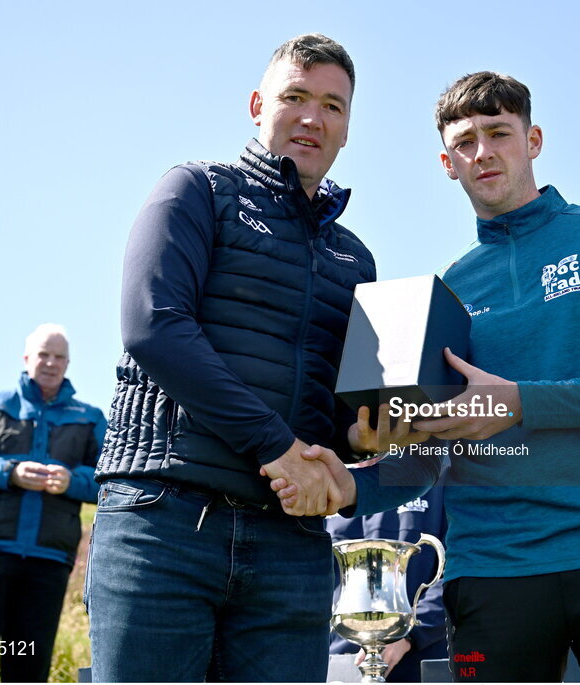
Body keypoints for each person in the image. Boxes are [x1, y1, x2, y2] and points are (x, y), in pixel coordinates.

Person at [277, 71, 580, 682]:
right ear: (447, 163)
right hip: (491, 567)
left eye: (499, 132)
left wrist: (519, 402)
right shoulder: (449, 290)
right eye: (465, 141)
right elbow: (427, 457)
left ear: (534, 140)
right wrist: (352, 485)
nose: (483, 152)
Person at [85, 33, 425, 683]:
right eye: (294, 96)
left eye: (332, 105)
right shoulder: (195, 190)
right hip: (164, 522)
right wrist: (277, 444)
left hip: (291, 549)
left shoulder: (358, 259)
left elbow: (344, 414)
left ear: (348, 128)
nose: (311, 117)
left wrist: (370, 436)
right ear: (256, 104)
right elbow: (153, 327)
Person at [0, 324, 106, 682]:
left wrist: (72, 481)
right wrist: (8, 472)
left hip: (49, 561)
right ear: (26, 359)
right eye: (43, 354)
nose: (51, 363)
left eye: (59, 356)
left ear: (69, 363)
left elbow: (110, 480)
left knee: (27, 669)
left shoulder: (89, 417)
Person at [327, 464, 449, 682]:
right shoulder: (327, 478)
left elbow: (456, 568)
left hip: (422, 655)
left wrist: (410, 634)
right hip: (341, 658)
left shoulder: (435, 476)